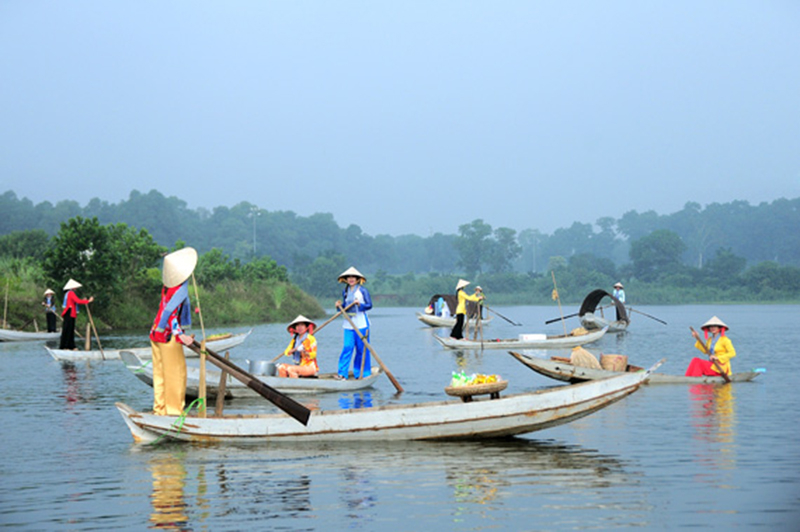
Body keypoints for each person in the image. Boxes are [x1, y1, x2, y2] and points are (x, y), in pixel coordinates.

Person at [149, 247, 197, 416]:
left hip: (156, 333)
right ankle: (174, 412)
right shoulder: (180, 288)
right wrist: (180, 334)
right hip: (169, 337)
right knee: (176, 375)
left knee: (160, 375)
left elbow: (168, 311)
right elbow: (170, 312)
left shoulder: (167, 286)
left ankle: (159, 410)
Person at [335, 267, 372, 380]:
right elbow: (345, 309)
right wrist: (339, 307)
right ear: (346, 279)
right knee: (347, 347)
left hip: (361, 324)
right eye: (349, 277)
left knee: (361, 350)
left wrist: (359, 304)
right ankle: (342, 373)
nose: (351, 279)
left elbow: (369, 305)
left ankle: (361, 373)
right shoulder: (345, 291)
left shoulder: (363, 291)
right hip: (348, 324)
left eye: (353, 277)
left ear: (357, 279)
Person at [59, 279, 94, 350]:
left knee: (71, 329)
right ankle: (65, 346)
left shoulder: (70, 293)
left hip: (71, 312)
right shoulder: (70, 293)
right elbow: (77, 301)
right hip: (69, 312)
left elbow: (76, 300)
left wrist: (84, 300)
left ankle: (71, 345)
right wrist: (88, 301)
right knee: (68, 329)